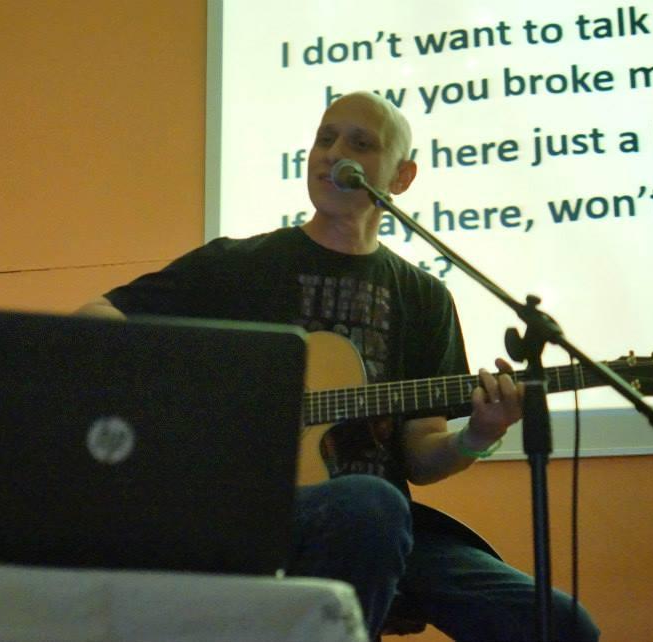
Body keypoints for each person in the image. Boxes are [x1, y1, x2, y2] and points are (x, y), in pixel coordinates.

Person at [78, 91, 599, 641]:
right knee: (369, 504)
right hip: (245, 511)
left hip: (382, 523)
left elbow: (421, 456)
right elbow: (95, 318)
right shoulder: (239, 265)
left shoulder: (423, 297)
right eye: (325, 139)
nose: (333, 153)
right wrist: (192, 393)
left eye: (360, 143)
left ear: (401, 177)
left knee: (560, 625)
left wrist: (478, 435)